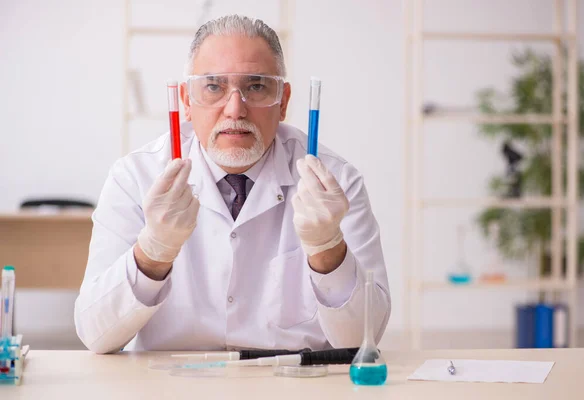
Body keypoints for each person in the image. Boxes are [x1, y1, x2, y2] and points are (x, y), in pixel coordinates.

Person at [74, 15, 391, 354]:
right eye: (214, 87)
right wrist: (151, 253)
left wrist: (327, 249)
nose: (235, 109)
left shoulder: (336, 182)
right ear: (186, 101)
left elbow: (364, 340)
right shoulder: (135, 177)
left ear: (283, 101)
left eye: (256, 86)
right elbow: (95, 335)